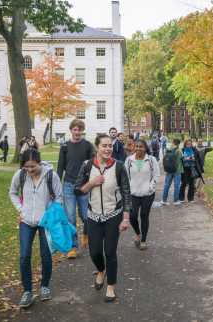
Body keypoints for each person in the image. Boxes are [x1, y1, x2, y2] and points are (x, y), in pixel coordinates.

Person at [74, 134, 131, 302]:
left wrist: (126, 217)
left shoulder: (119, 166)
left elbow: (127, 193)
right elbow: (77, 190)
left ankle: (111, 287)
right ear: (97, 147)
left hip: (113, 215)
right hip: (94, 216)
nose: (108, 149)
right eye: (104, 146)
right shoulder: (87, 166)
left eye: (110, 146)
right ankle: (101, 270)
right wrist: (92, 183)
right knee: (95, 252)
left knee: (110, 252)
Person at [9, 148, 63, 308]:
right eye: (26, 167)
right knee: (24, 255)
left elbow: (59, 197)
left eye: (33, 167)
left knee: (46, 256)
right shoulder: (21, 175)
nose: (30, 170)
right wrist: (21, 209)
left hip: (45, 222)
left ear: (39, 162)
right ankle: (27, 291)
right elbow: (12, 192)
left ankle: (45, 286)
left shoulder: (51, 176)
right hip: (26, 221)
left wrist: (51, 215)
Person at [57, 119, 94, 259]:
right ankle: (73, 247)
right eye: (75, 129)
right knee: (70, 217)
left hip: (84, 185)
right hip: (68, 185)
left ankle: (86, 234)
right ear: (71, 130)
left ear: (82, 131)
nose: (77, 132)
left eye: (79, 129)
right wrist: (55, 185)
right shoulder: (65, 146)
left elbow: (93, 164)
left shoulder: (87, 146)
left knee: (86, 216)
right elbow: (60, 167)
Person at [125, 139, 160, 250]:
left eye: (141, 147)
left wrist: (151, 187)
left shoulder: (151, 159)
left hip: (147, 194)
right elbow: (125, 176)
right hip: (133, 193)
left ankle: (143, 240)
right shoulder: (129, 160)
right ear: (134, 147)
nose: (138, 148)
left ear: (145, 148)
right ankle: (138, 234)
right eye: (137, 146)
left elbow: (156, 174)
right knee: (132, 216)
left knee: (144, 216)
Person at [161, 138, 183, 206]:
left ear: (173, 142)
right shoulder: (179, 151)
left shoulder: (169, 149)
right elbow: (180, 160)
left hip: (169, 170)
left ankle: (164, 200)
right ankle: (175, 200)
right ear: (179, 144)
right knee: (176, 186)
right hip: (177, 170)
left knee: (167, 185)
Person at [179, 139, 202, 203]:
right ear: (185, 144)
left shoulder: (194, 150)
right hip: (184, 169)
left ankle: (190, 198)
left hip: (192, 168)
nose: (189, 145)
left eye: (190, 144)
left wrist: (194, 159)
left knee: (192, 183)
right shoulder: (182, 150)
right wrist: (185, 158)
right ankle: (181, 198)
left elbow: (198, 158)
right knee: (183, 183)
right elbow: (180, 159)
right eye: (187, 144)